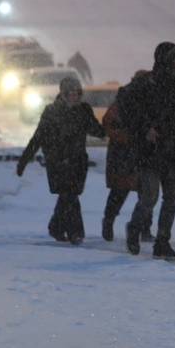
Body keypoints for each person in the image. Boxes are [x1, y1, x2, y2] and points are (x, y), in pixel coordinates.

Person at [117, 41, 175, 260]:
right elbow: (124, 103)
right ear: (166, 58)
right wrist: (144, 129)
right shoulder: (145, 82)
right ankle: (135, 227)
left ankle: (162, 243)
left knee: (171, 199)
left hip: (174, 150)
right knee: (150, 196)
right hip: (152, 151)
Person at [16, 76, 104, 245]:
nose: (74, 97)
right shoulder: (52, 111)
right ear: (63, 94)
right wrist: (24, 160)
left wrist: (111, 128)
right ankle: (75, 233)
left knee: (68, 197)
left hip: (78, 161)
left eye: (76, 94)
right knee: (69, 196)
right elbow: (38, 137)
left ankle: (56, 227)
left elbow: (96, 130)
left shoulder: (83, 110)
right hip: (58, 161)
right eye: (70, 94)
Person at [101, 70, 155, 242]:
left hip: (141, 153)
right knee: (120, 190)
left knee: (146, 192)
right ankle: (109, 221)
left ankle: (144, 229)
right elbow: (108, 123)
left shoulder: (149, 101)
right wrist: (124, 138)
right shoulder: (124, 100)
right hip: (123, 154)